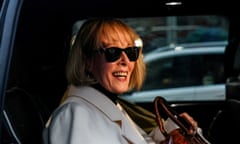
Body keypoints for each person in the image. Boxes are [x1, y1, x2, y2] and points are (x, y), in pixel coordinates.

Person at [42, 17, 199, 144]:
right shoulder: (74, 115)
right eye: (112, 52)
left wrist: (171, 132)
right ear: (87, 61)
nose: (125, 60)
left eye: (131, 52)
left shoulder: (113, 106)